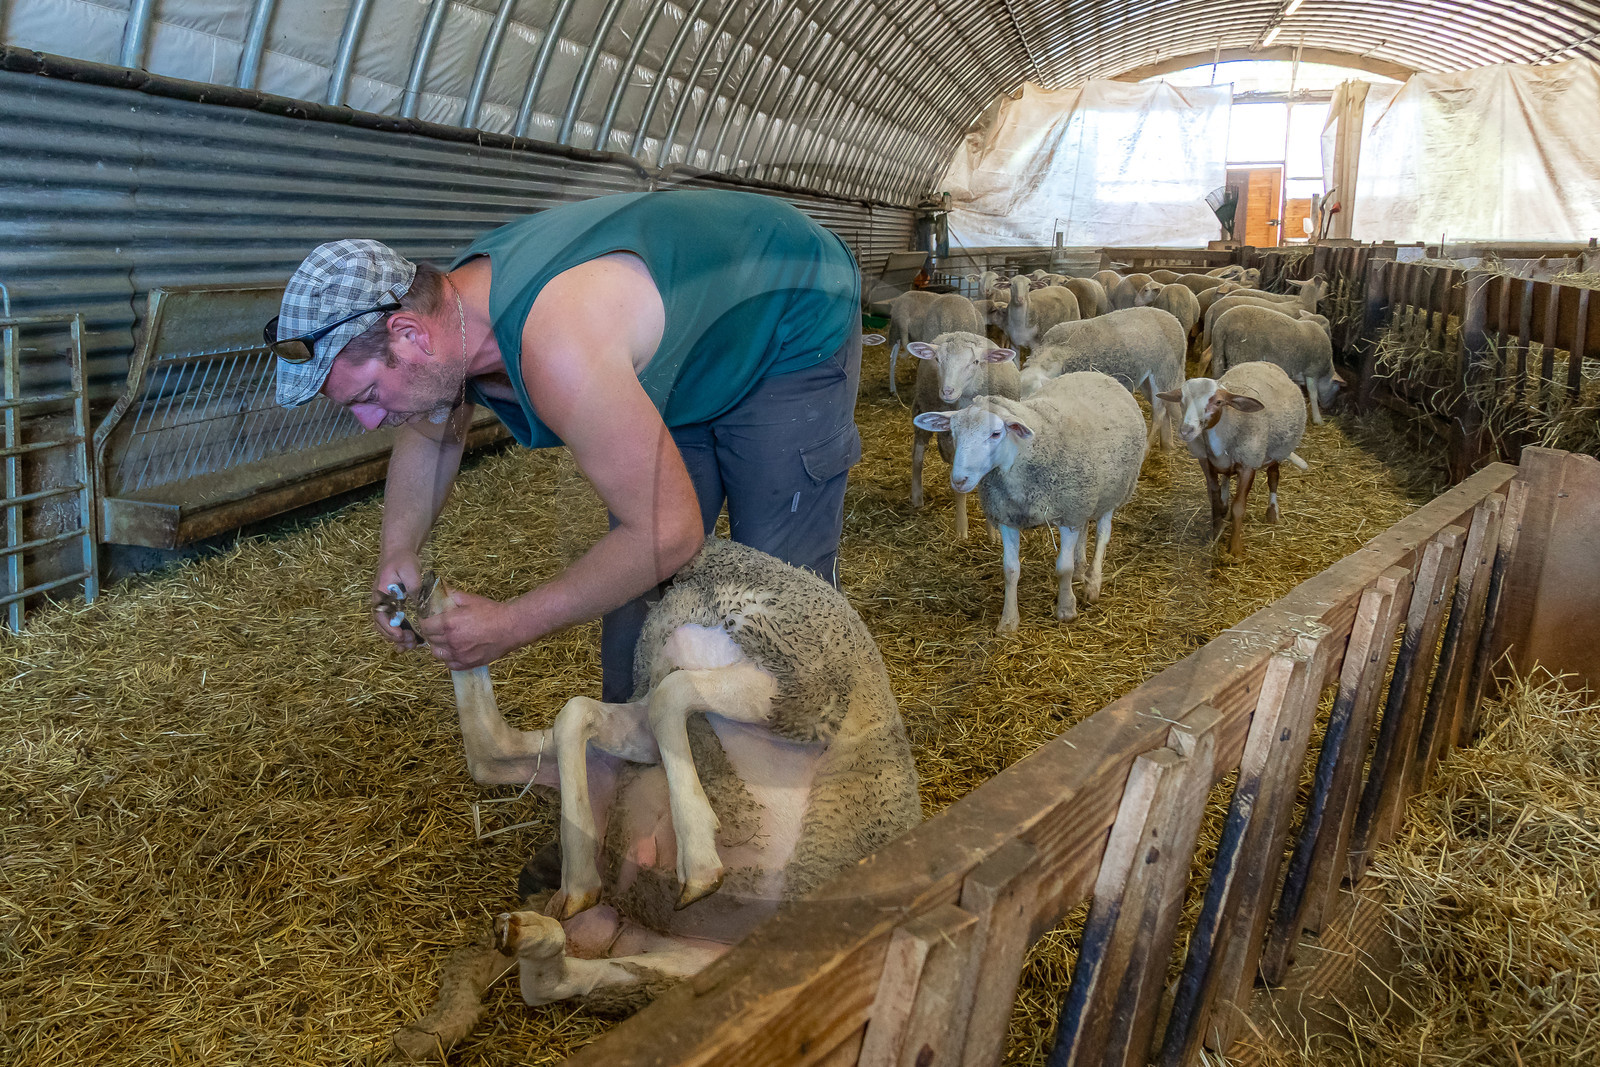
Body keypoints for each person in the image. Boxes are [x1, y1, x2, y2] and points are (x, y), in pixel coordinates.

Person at [270, 189, 864, 701]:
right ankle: (639, 780)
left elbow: (666, 531)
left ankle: (801, 795)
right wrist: (397, 551)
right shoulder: (445, 317)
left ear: (407, 335)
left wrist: (513, 623)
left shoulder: (558, 344)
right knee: (643, 589)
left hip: (787, 306)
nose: (371, 422)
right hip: (684, 348)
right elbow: (430, 433)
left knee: (778, 592)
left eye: (367, 395)